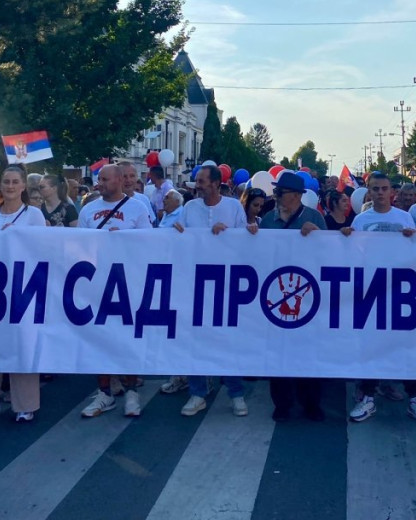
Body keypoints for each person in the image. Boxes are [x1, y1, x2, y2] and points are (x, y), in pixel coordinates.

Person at [344, 172, 416, 426]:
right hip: (372, 292)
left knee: (405, 345)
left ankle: (415, 399)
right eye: (376, 189)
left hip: (402, 293)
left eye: (384, 188)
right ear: (369, 192)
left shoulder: (404, 217)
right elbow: (352, 254)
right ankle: (368, 397)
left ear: (391, 192)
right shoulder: (361, 220)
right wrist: (344, 237)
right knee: (372, 345)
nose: (381, 193)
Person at [173, 164, 250, 417]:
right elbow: (179, 239)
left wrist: (229, 234)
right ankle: (197, 393)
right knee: (195, 339)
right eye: (197, 181)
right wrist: (175, 233)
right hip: (195, 284)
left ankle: (236, 394)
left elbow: (245, 244)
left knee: (228, 340)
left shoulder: (234, 207)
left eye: (202, 181)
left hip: (226, 286)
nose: (198, 186)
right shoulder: (189, 208)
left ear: (216, 183)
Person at [0, 165, 47, 423]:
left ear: (24, 185)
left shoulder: (34, 215)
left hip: (23, 288)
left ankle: (26, 404)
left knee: (22, 345)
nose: (11, 186)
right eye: (6, 181)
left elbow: (42, 249)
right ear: (0, 185)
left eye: (16, 181)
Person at [77, 164, 152, 419]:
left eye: (106, 179)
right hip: (97, 281)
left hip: (127, 281)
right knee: (99, 337)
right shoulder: (88, 210)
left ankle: (132, 392)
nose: (100, 183)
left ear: (120, 180)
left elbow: (151, 244)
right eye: (99, 179)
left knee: (128, 338)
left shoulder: (138, 208)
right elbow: (77, 245)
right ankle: (104, 392)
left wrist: (126, 239)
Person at [256, 172, 327, 422]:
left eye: (281, 192)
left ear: (296, 196)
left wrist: (317, 235)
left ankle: (311, 403)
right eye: (276, 192)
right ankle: (282, 403)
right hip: (276, 291)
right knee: (279, 350)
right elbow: (258, 253)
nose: (276, 196)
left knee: (308, 350)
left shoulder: (314, 218)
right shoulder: (268, 220)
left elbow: (328, 253)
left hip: (306, 293)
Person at [119, 161, 156, 226]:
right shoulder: (108, 201)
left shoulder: (144, 199)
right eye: (124, 176)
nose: (128, 180)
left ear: (136, 178)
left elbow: (152, 226)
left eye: (132, 176)